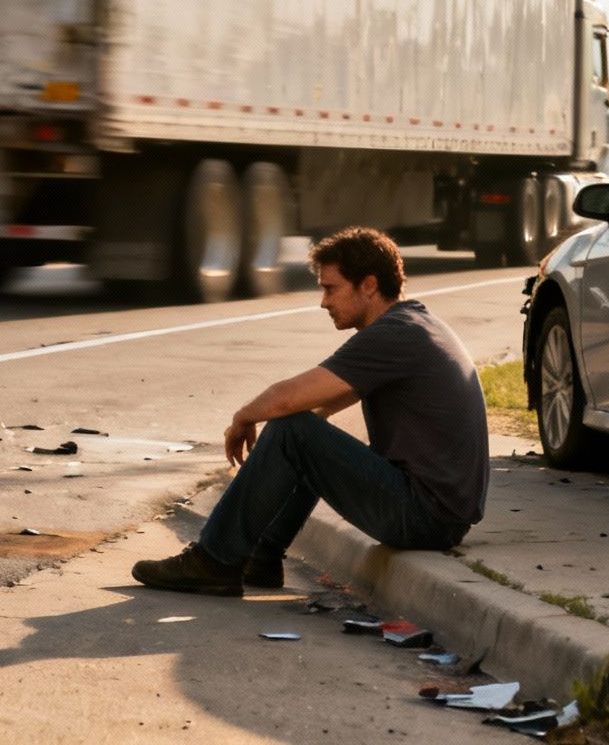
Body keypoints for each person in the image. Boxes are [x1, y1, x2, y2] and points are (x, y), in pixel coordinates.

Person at [131, 227, 488, 596]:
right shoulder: (413, 325)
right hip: (437, 512)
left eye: (330, 288)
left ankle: (215, 560)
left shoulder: (395, 335)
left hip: (424, 516)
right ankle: (261, 556)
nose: (322, 301)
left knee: (294, 430)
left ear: (368, 285)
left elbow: (287, 399)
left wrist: (243, 418)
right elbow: (318, 404)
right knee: (302, 430)